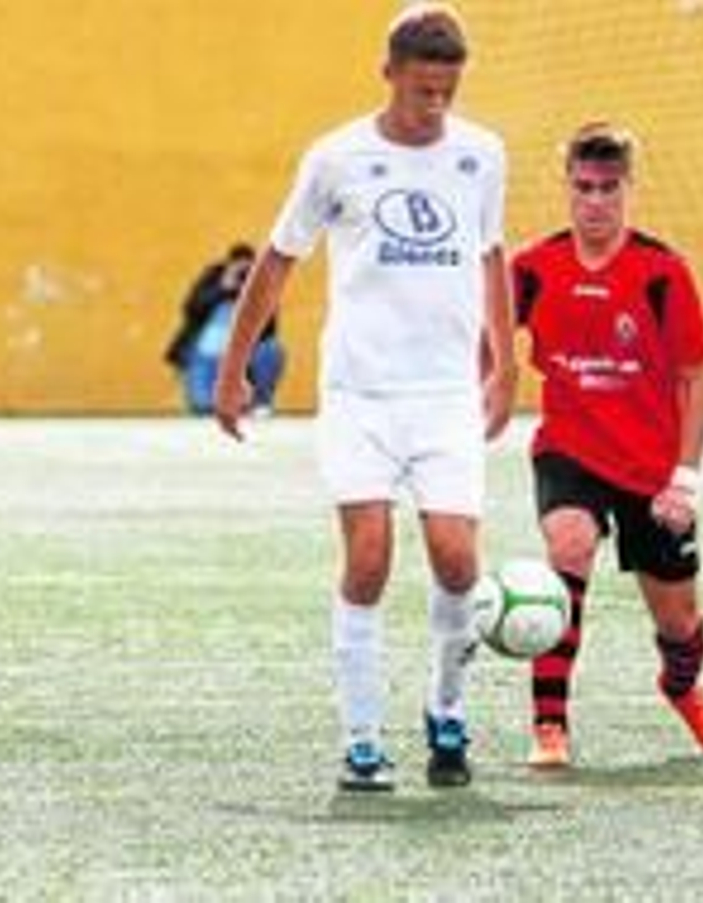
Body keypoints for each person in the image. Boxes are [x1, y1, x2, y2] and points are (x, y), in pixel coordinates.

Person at [213, 3, 514, 793]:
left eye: (447, 92)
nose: (435, 107)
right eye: (422, 91)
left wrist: (505, 363)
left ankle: (446, 711)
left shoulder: (482, 155)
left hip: (445, 393)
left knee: (457, 560)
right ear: (390, 74)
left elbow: (490, 257)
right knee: (370, 557)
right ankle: (361, 739)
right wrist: (232, 369)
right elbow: (276, 264)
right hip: (360, 393)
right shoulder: (336, 157)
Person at [510, 123, 703, 769]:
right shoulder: (531, 268)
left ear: (627, 189)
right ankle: (549, 722)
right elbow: (490, 344)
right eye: (583, 187)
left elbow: (695, 377)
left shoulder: (662, 272)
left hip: (652, 466)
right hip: (569, 450)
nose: (595, 202)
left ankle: (683, 685)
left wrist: (685, 479)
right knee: (569, 545)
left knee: (679, 619)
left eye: (609, 188)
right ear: (567, 188)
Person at [165, 244, 286, 414]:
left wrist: (252, 291)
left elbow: (270, 327)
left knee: (272, 350)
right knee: (203, 407)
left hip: (244, 355)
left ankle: (259, 402)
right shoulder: (213, 277)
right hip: (205, 355)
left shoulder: (258, 282)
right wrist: (222, 288)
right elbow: (190, 310)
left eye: (246, 270)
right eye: (239, 269)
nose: (241, 275)